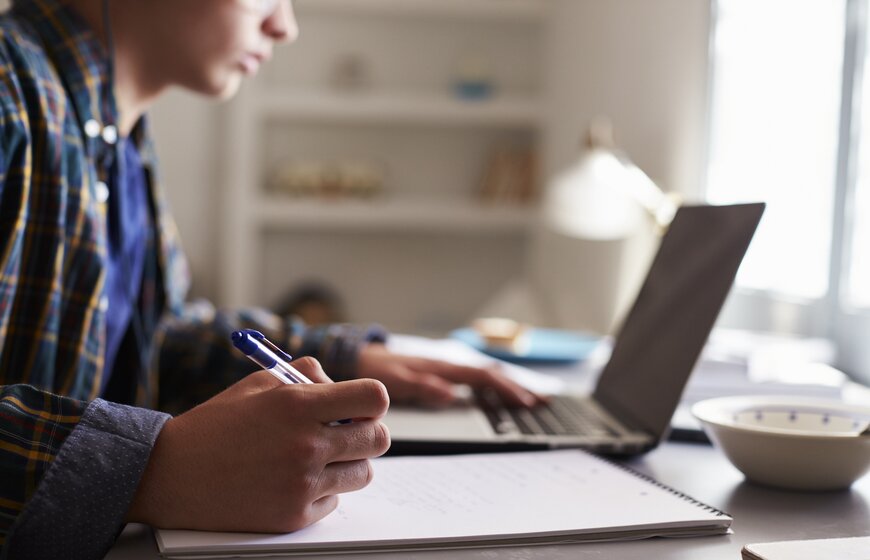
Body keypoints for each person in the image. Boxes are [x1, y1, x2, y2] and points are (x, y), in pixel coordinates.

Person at [0, 0, 543, 558]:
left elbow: (152, 338)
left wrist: (344, 358)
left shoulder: (116, 134)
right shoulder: (7, 96)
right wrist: (152, 470)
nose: (284, 25)